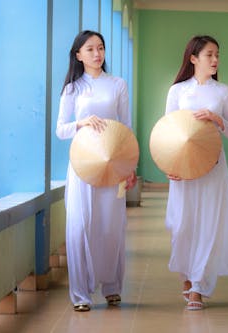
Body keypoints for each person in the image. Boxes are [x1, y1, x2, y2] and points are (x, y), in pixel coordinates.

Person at [56, 30, 137, 312]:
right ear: (78, 55)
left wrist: (130, 166)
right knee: (79, 226)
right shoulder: (72, 89)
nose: (97, 54)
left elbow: (126, 128)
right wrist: (81, 123)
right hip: (82, 165)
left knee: (111, 226)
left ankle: (112, 288)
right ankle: (80, 294)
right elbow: (60, 129)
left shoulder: (118, 85)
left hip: (113, 164)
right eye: (90, 49)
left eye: (100, 48)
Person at [164, 35, 228, 311]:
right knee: (183, 225)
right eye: (209, 55)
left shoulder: (223, 92)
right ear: (193, 58)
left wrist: (216, 118)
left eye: (217, 55)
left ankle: (198, 286)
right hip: (183, 166)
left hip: (213, 165)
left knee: (209, 224)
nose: (215, 60)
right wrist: (169, 166)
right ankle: (186, 275)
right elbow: (167, 132)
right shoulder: (177, 92)